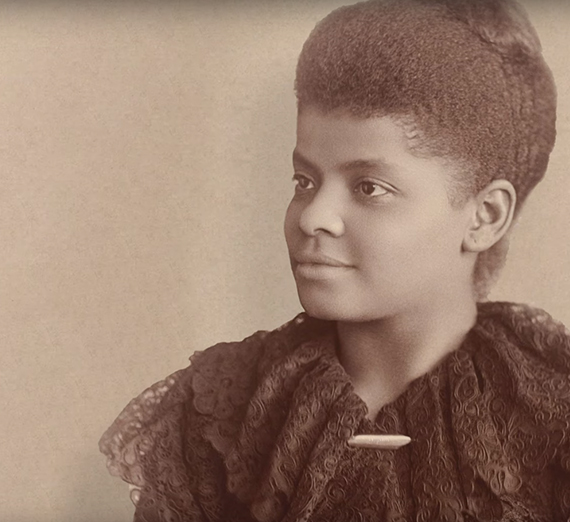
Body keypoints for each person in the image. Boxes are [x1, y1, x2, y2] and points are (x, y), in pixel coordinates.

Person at [99, 0, 570, 520]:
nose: (312, 217)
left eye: (369, 187)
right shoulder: (221, 415)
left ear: (484, 216)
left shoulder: (554, 417)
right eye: (305, 181)